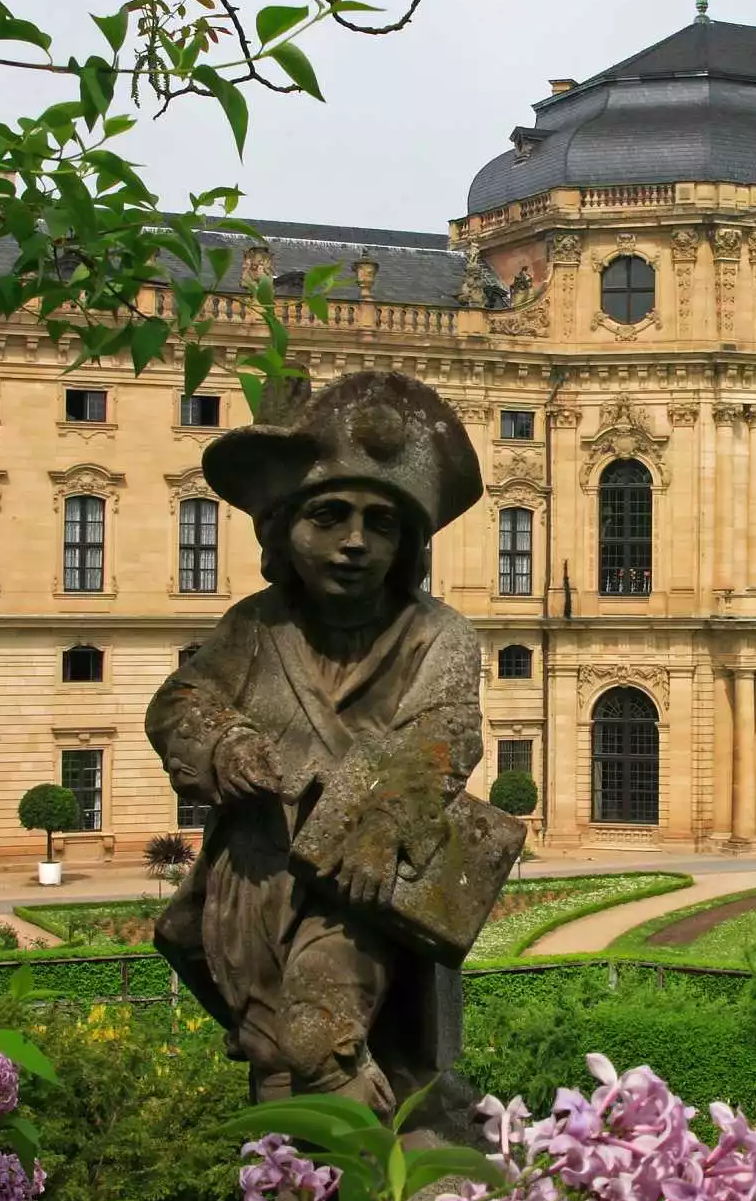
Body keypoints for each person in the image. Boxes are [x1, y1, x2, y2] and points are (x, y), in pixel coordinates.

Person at [149, 371, 520, 1133]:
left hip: (366, 896)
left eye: (381, 525)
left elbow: (447, 731)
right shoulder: (255, 627)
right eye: (329, 517)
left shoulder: (438, 633)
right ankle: (306, 1196)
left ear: (408, 546)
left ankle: (365, 1168)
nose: (355, 543)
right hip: (254, 886)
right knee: (274, 1064)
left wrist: (382, 814)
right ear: (284, 529)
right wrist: (225, 742)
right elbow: (180, 703)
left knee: (325, 1043)